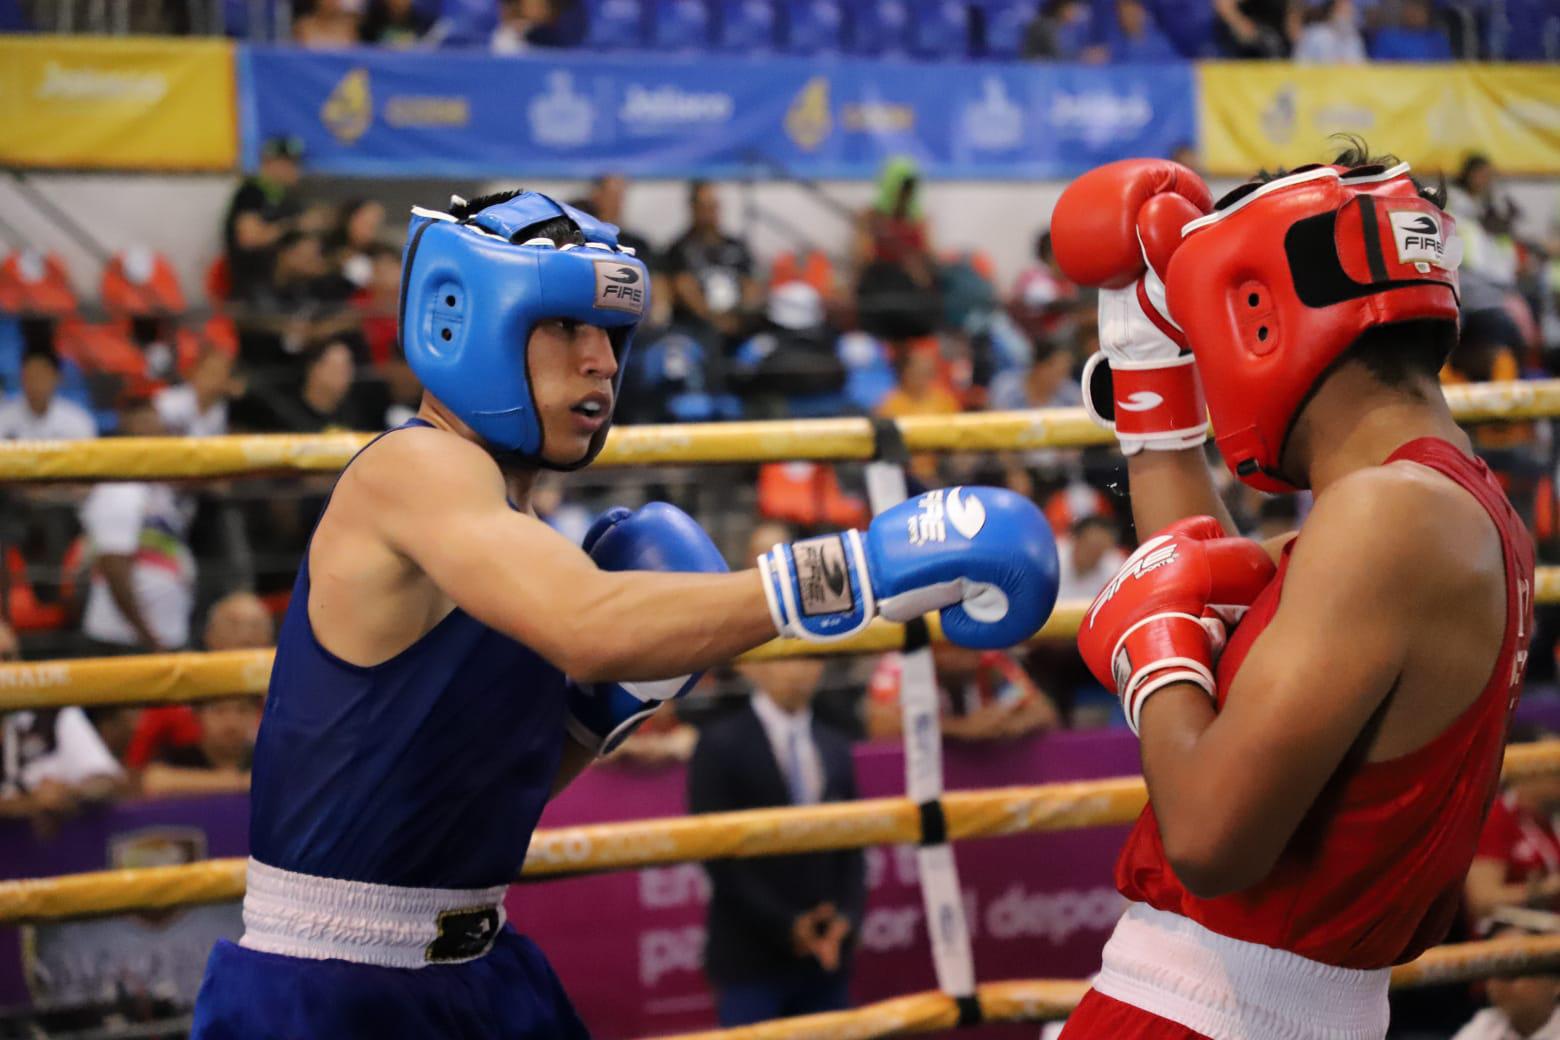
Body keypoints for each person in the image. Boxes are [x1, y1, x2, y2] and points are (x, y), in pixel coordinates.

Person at [189, 189, 1058, 1039]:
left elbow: (478, 801)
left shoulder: (509, 535)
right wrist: (858, 570)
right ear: (459, 317)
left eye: (610, 333)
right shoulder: (415, 470)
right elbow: (590, 628)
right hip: (329, 990)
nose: (602, 361)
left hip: (475, 964)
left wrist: (588, 720)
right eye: (565, 327)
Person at [1050, 146, 1534, 1037]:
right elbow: (1196, 578)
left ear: (1260, 321)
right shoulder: (1455, 504)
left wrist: (1150, 656)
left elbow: (1209, 840)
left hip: (1210, 1014)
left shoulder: (1387, 520)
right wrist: (1149, 380)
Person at [689, 656, 865, 1025]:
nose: (798, 669)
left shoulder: (835, 743)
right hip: (750, 956)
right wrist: (786, 924)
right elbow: (717, 857)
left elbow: (856, 843)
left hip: (826, 954)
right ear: (752, 667)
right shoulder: (719, 744)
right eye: (785, 658)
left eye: (809, 658)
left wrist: (845, 918)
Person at [78, 389, 196, 654]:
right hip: (122, 640)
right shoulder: (119, 486)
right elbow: (114, 565)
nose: (154, 429)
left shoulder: (159, 490)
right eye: (143, 423)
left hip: (161, 635)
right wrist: (147, 637)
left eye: (155, 421)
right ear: (128, 430)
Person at [0, 620, 127, 838]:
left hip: (48, 858)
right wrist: (27, 804)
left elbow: (107, 780)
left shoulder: (52, 712)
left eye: (9, 657)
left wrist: (69, 793)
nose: (4, 671)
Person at [127, 591, 275, 771]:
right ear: (209, 636)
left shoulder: (290, 699)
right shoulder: (175, 691)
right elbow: (137, 769)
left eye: (256, 626)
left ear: (271, 640)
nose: (246, 637)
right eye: (233, 625)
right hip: (183, 794)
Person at [1466, 730, 1560, 925]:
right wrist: (1543, 890)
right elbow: (1482, 900)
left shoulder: (1547, 819)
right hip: (1507, 929)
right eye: (1555, 770)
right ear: (1526, 773)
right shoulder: (1497, 816)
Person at [665, 180, 759, 348]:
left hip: (738, 321)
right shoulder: (679, 249)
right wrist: (713, 319)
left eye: (713, 206)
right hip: (697, 326)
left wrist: (740, 314)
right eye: (704, 207)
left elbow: (751, 283)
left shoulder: (736, 246)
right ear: (693, 208)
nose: (709, 213)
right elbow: (682, 286)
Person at [1452, 923, 1560, 1039]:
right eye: (1493, 969)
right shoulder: (1487, 1023)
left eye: (1514, 970)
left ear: (1556, 982)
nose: (1499, 982)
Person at [142, 696, 262, 797]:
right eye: (219, 711)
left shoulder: (264, 758)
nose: (231, 723)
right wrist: (236, 783)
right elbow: (154, 781)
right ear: (197, 715)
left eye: (243, 710)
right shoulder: (180, 757)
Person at [0, 349, 97, 440]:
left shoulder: (78, 421)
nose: (36, 383)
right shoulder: (3, 418)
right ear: (21, 378)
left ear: (57, 377)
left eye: (42, 376)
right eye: (30, 376)